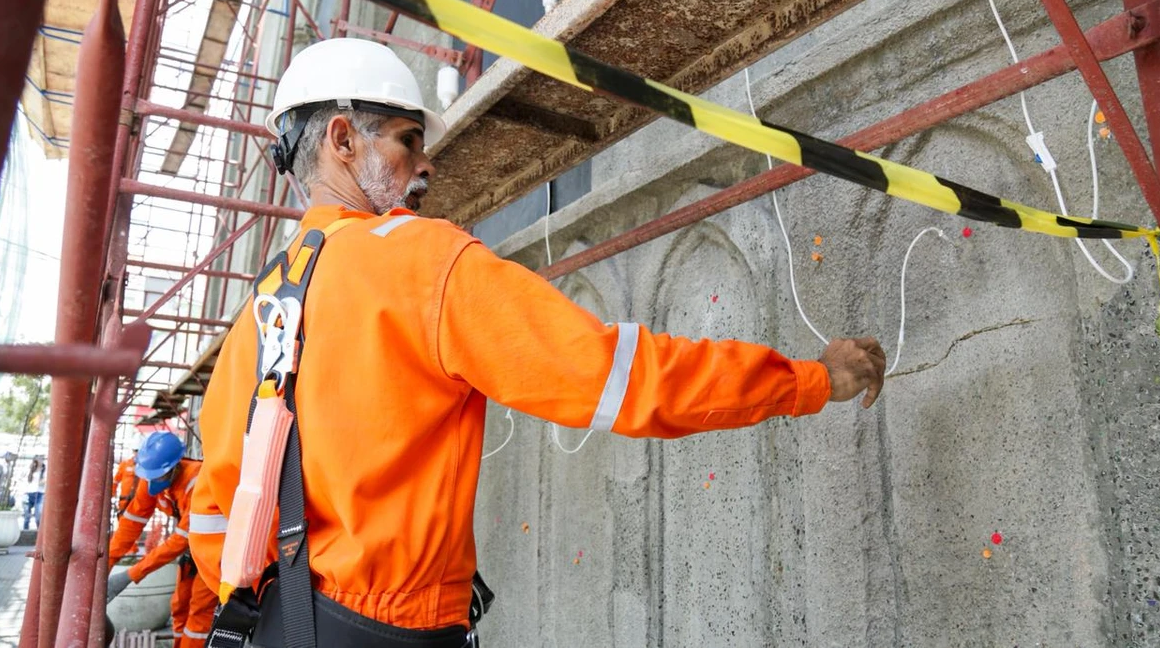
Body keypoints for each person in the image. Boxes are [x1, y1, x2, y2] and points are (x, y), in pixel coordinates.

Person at [190, 39, 887, 648]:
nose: (425, 166)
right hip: (394, 629)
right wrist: (810, 380)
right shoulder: (419, 262)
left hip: (281, 623)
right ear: (342, 139)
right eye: (407, 140)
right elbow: (620, 377)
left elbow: (215, 513)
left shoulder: (258, 315)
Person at [106, 432, 215, 648]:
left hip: (215, 552)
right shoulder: (151, 480)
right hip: (194, 550)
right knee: (179, 606)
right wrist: (105, 564)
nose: (154, 482)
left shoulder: (198, 483)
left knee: (200, 611)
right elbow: (131, 524)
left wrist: (130, 574)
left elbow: (180, 539)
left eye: (159, 476)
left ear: (175, 467)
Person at [111, 448, 138, 516]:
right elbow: (116, 480)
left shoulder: (146, 466)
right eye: (136, 451)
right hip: (125, 499)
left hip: (138, 500)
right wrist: (112, 493)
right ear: (133, 452)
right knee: (123, 517)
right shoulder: (125, 464)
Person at [21, 457, 44, 530]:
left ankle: (38, 532)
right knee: (27, 516)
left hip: (39, 493)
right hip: (28, 493)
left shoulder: (44, 470)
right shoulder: (29, 470)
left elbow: (44, 482)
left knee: (38, 516)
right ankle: (25, 531)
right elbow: (24, 480)